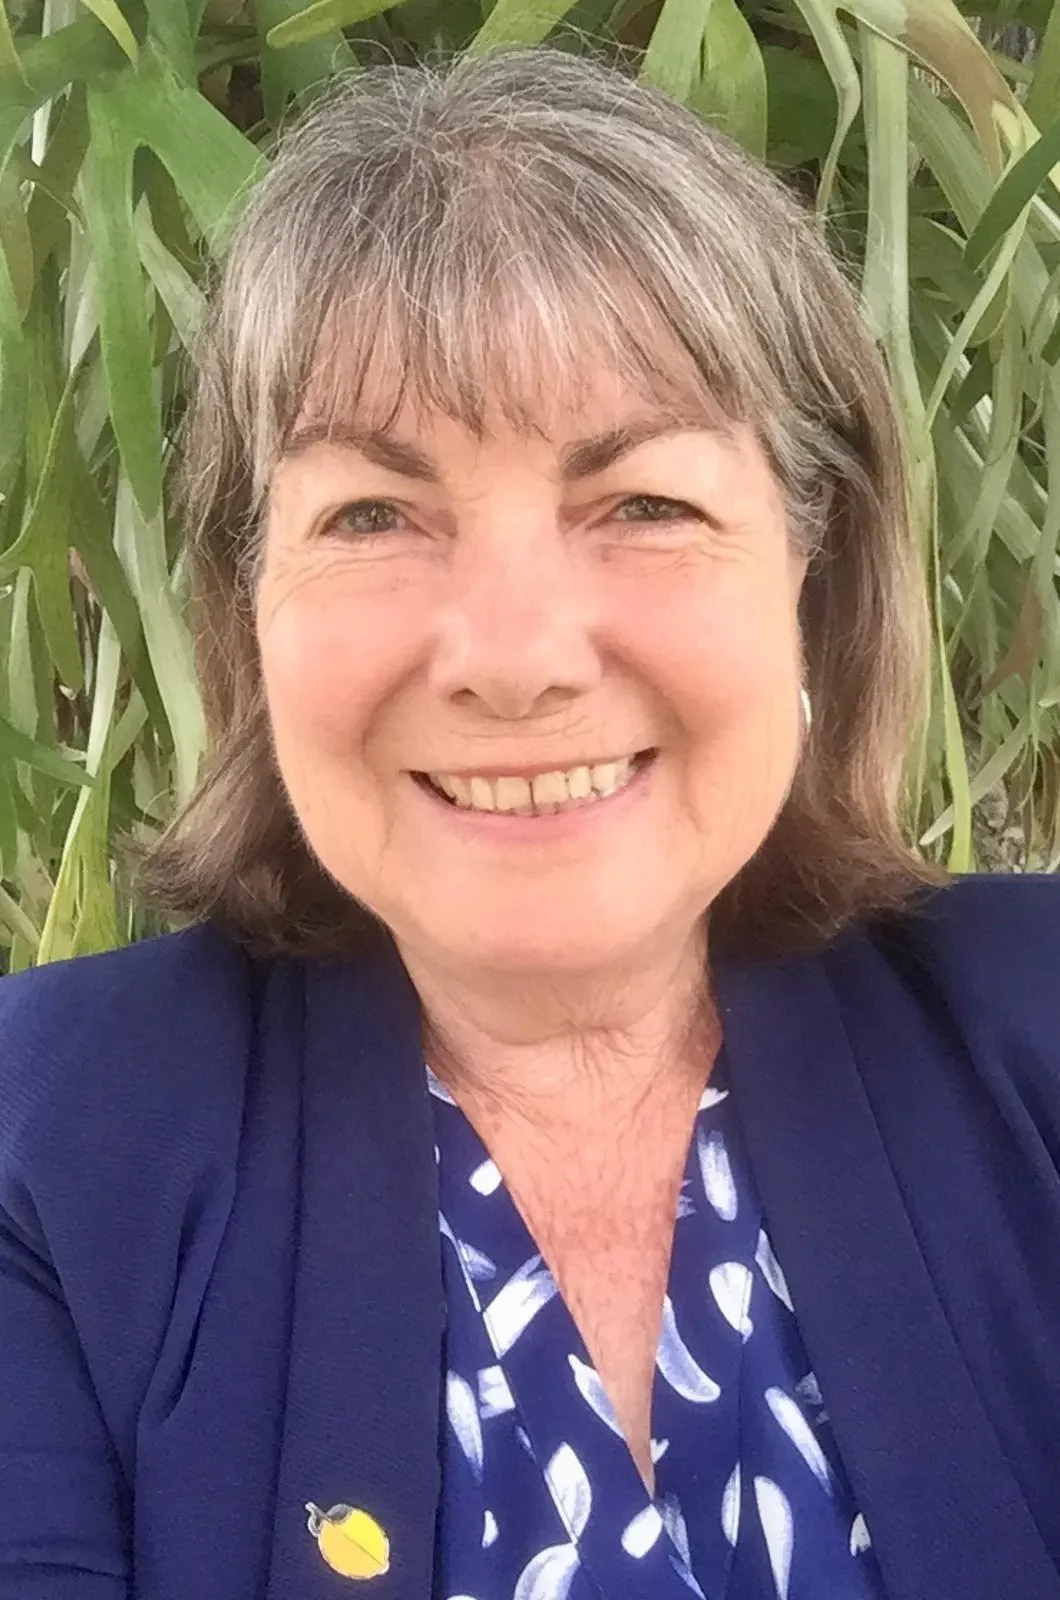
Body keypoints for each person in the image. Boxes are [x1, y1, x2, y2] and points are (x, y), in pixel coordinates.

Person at [1, 44, 1059, 1600]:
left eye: (644, 504)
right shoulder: (44, 1149)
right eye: (374, 515)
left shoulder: (1039, 1033)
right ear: (249, 611)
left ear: (811, 576)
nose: (513, 658)